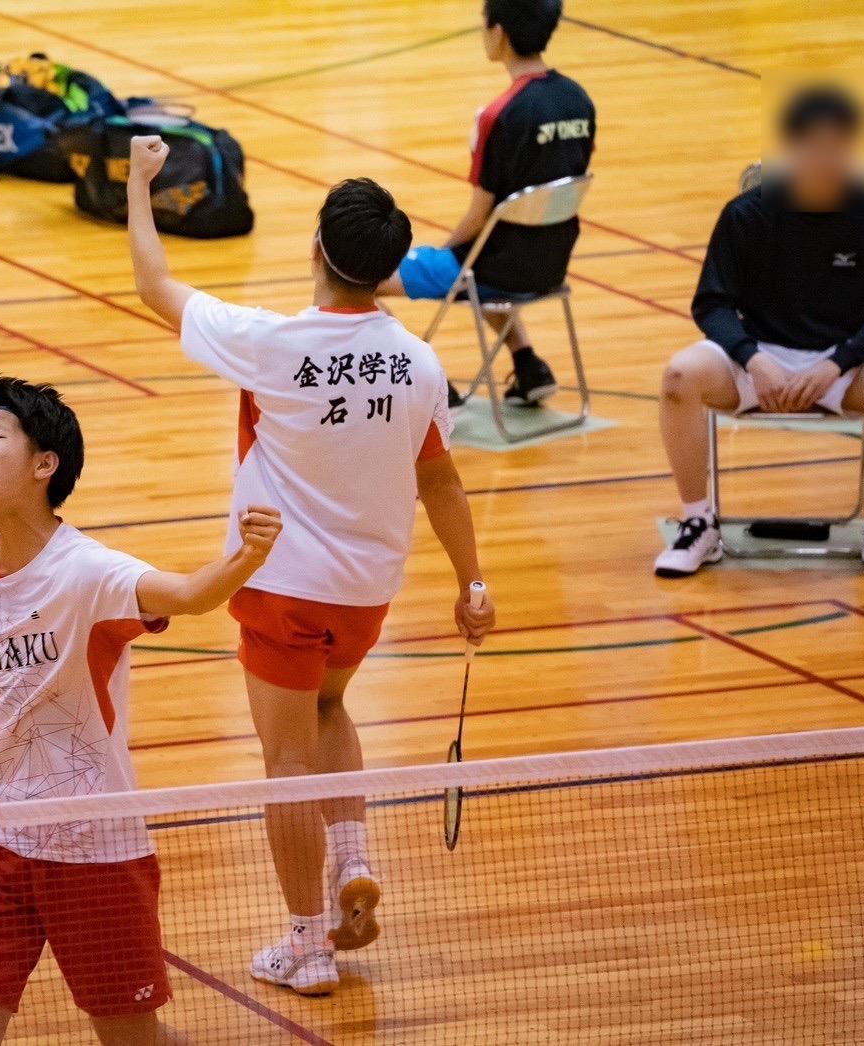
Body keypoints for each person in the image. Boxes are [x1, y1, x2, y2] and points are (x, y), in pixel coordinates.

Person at [126, 137, 497, 997]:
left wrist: (143, 185)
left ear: (317, 250)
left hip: (279, 585)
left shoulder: (272, 345)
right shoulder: (418, 360)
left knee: (284, 762)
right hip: (367, 594)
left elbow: (153, 287)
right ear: (390, 267)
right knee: (330, 706)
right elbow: (438, 477)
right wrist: (472, 583)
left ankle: (307, 946)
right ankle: (350, 863)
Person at [0, 377, 284, 1045]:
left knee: (133, 1038)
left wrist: (246, 557)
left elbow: (188, 595)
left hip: (92, 845)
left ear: (45, 465)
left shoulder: (89, 573)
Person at [654, 85, 864, 582]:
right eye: (813, 145)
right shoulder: (747, 215)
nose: (826, 157)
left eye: (837, 145)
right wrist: (753, 359)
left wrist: (835, 364)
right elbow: (711, 304)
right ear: (789, 150)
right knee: (679, 376)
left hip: (846, 366)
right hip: (759, 362)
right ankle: (698, 522)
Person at [378, 0, 595, 409]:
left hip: (493, 264)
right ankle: (528, 365)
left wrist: (442, 255)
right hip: (551, 261)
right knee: (485, 266)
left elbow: (478, 217)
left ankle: (427, 379)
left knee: (361, 278)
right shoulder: (579, 101)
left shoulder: (498, 115)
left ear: (499, 33)